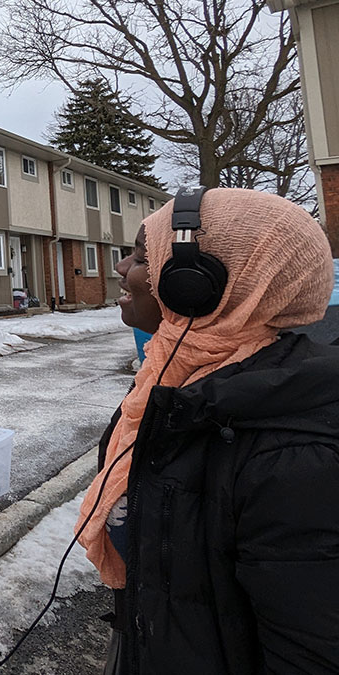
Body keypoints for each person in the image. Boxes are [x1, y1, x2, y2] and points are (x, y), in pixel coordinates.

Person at [76, 188, 339, 674]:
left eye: (141, 255)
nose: (120, 269)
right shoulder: (171, 383)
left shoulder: (296, 456)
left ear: (194, 284)